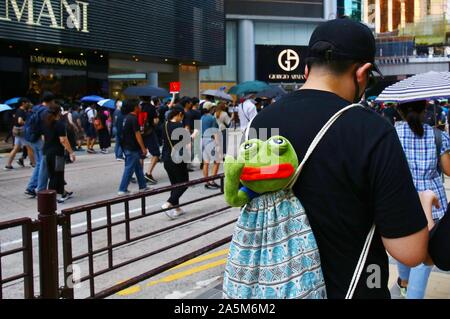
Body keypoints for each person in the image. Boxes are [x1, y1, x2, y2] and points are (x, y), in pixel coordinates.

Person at [249, 18, 430, 299]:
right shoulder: (372, 130)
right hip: (353, 290)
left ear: (307, 69)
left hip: (273, 289)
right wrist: (425, 205)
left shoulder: (260, 124)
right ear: (362, 73)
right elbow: (409, 252)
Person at [394, 100, 450, 299]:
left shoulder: (393, 133)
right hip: (434, 204)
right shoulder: (438, 135)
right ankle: (412, 294)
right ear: (425, 109)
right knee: (424, 257)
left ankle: (404, 281)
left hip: (403, 200)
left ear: (399, 110)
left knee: (402, 241)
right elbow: (448, 170)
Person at [161, 106, 198, 220]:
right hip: (177, 159)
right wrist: (194, 135)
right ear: (179, 114)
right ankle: (168, 203)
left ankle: (177, 209)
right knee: (184, 183)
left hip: (167, 159)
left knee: (175, 185)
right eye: (182, 117)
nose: (182, 119)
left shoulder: (165, 125)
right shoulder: (179, 126)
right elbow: (187, 144)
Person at [43, 104, 76, 204]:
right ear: (59, 113)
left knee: (53, 174)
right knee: (57, 175)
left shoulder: (46, 123)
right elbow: (63, 140)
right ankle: (52, 197)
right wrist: (71, 152)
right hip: (57, 153)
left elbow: (43, 138)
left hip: (47, 152)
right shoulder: (59, 124)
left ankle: (62, 192)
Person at [25, 92, 54, 198]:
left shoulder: (35, 108)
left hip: (30, 138)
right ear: (51, 101)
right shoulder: (46, 111)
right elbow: (46, 127)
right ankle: (41, 190)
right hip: (39, 139)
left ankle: (31, 187)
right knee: (44, 164)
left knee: (39, 163)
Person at [118, 99, 148, 196]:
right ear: (135, 107)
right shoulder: (134, 118)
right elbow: (137, 135)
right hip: (132, 147)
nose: (140, 107)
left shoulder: (126, 118)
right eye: (139, 105)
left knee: (138, 167)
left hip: (127, 146)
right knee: (129, 168)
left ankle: (143, 186)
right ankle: (122, 189)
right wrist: (143, 148)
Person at [4, 98, 34, 170]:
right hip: (22, 132)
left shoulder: (19, 110)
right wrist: (27, 123)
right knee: (29, 147)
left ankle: (8, 165)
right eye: (27, 102)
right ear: (23, 103)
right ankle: (34, 164)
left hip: (17, 131)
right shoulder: (21, 111)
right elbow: (20, 121)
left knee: (16, 148)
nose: (28, 104)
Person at [139, 96, 160, 185]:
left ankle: (140, 175)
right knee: (156, 153)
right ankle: (148, 173)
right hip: (149, 133)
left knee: (141, 155)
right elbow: (155, 121)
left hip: (139, 133)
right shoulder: (151, 108)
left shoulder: (138, 107)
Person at [201, 102, 221, 190]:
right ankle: (212, 181)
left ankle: (207, 182)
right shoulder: (212, 118)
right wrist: (218, 145)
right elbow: (215, 132)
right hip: (210, 141)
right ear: (210, 109)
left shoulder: (201, 117)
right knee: (217, 161)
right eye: (213, 108)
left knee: (206, 162)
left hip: (202, 140)